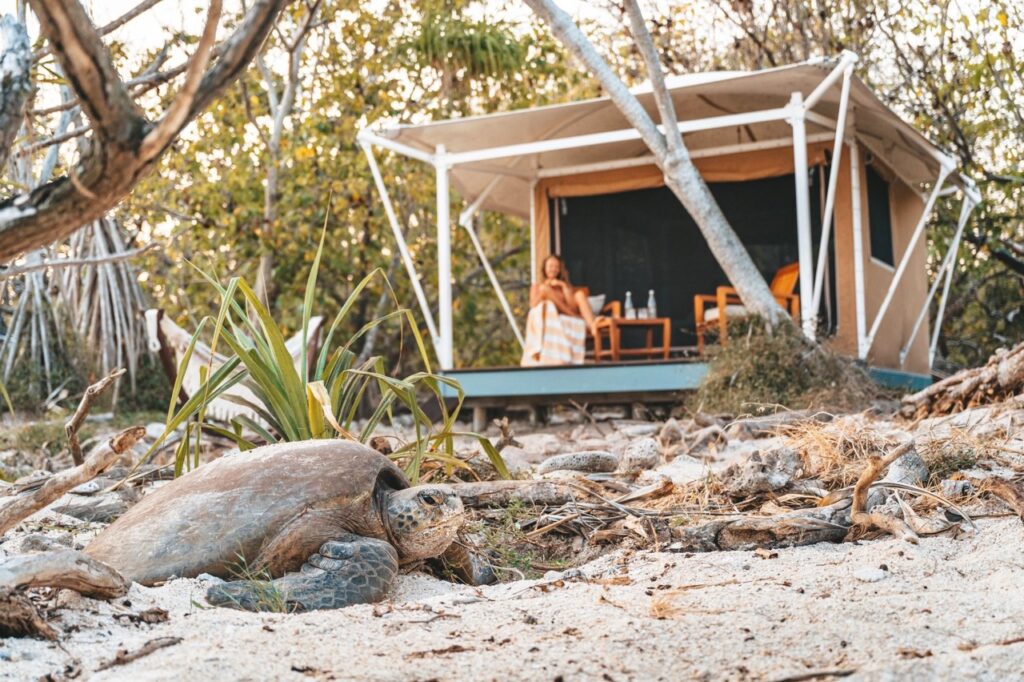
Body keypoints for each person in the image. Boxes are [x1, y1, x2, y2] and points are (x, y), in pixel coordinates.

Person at [520, 254, 603, 367]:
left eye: (556, 266)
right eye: (550, 266)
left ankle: (592, 325)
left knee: (579, 294)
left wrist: (563, 286)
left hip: (568, 313)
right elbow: (533, 305)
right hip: (552, 316)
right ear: (544, 268)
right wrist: (545, 290)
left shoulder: (564, 286)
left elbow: (572, 306)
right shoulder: (537, 286)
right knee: (545, 290)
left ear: (559, 270)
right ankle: (585, 320)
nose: (553, 269)